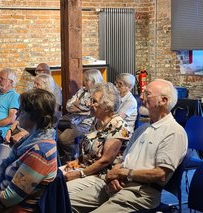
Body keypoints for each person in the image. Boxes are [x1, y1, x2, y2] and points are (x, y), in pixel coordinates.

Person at [70, 79, 188, 212]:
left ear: (164, 101)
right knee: (62, 203)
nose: (141, 97)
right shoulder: (142, 129)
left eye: (147, 94)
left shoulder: (174, 132)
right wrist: (114, 176)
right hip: (119, 183)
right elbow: (123, 160)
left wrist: (124, 174)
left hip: (140, 193)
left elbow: (161, 175)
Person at [62, 82, 131, 194]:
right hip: (86, 168)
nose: (89, 104)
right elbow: (89, 149)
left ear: (107, 106)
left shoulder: (118, 125)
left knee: (62, 190)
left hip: (102, 175)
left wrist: (80, 173)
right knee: (52, 178)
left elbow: (105, 161)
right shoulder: (97, 121)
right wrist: (77, 161)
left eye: (94, 101)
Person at [57, 69, 103, 164]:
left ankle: (72, 160)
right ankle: (61, 161)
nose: (84, 82)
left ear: (94, 80)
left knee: (64, 138)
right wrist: (80, 107)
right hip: (72, 120)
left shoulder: (99, 93)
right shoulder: (82, 91)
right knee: (55, 134)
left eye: (87, 80)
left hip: (87, 124)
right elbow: (68, 105)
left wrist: (78, 104)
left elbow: (90, 108)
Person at [5, 73, 59, 144]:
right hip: (18, 130)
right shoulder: (31, 100)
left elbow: (41, 126)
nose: (34, 86)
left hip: (31, 135)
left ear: (46, 86)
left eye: (37, 84)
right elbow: (18, 118)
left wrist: (22, 134)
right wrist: (10, 130)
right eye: (34, 83)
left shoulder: (51, 104)